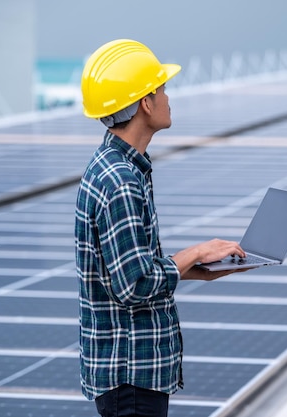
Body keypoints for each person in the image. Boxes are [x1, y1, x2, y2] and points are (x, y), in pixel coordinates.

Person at [75, 39, 247, 417]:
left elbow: (127, 271)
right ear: (145, 103)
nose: (169, 97)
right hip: (131, 377)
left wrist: (193, 272)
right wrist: (196, 253)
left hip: (130, 375)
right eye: (162, 89)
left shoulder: (119, 167)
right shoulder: (120, 180)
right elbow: (134, 286)